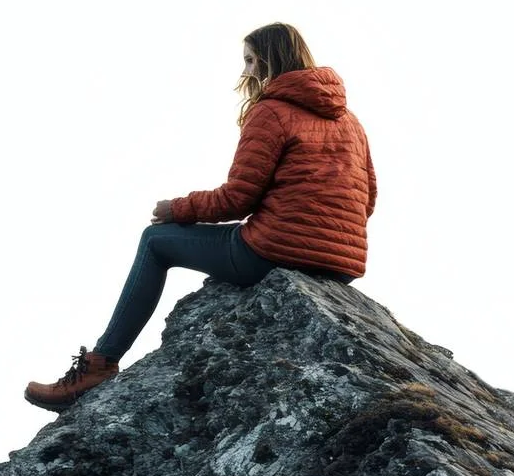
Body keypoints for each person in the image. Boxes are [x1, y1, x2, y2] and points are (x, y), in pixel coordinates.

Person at [24, 22, 377, 412]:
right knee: (220, 237)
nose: (244, 72)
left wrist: (176, 208)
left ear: (269, 60)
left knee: (155, 241)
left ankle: (99, 365)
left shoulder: (272, 112)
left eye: (249, 60)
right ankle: (98, 364)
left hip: (273, 252)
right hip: (341, 265)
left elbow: (237, 198)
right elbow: (369, 198)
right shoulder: (351, 121)